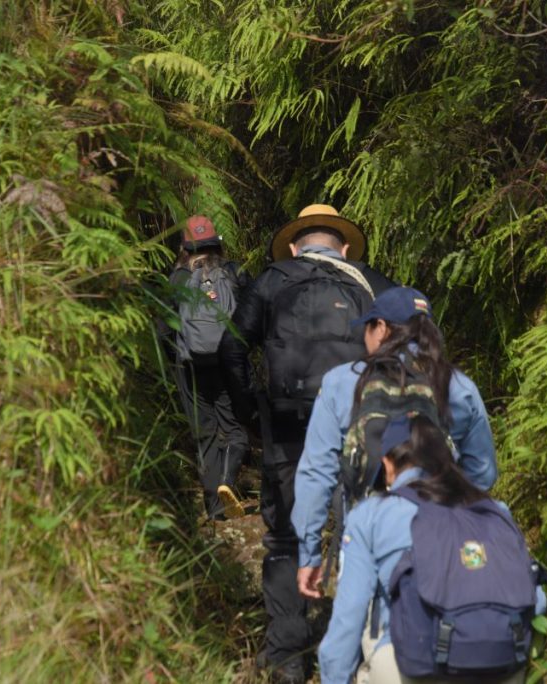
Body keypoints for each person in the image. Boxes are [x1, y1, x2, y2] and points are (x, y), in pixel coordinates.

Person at [220, 204, 393, 682]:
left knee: (284, 538)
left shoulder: (273, 278)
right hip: (359, 425)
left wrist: (250, 413)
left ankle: (286, 656)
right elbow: (415, 341)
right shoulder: (371, 283)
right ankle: (365, 651)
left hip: (288, 424)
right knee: (362, 531)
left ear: (296, 246)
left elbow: (232, 346)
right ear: (343, 246)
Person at [292, 286, 498, 602]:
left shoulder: (342, 382)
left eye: (367, 327)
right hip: (440, 533)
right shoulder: (457, 385)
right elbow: (483, 474)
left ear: (383, 328)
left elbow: (316, 473)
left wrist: (309, 554)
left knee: (371, 634)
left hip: (365, 534)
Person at [317, 415, 541, 684]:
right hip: (502, 665)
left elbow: (347, 619)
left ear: (388, 463)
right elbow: (535, 600)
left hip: (415, 667)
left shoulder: (371, 515)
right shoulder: (495, 510)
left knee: (371, 614)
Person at [168, 215, 251, 520]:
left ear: (185, 247)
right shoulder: (234, 272)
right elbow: (250, 319)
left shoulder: (177, 279)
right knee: (234, 429)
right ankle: (227, 483)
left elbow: (165, 326)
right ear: (218, 243)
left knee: (204, 434)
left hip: (190, 366)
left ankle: (215, 510)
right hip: (228, 363)